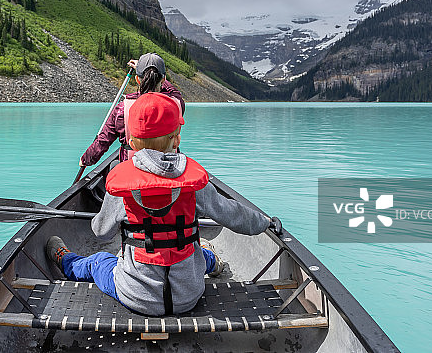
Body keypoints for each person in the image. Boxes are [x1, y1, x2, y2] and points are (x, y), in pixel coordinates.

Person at [47, 92, 282, 316]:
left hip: (136, 296)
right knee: (197, 253)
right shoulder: (194, 182)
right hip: (189, 295)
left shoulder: (121, 183)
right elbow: (232, 214)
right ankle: (213, 262)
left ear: (131, 142)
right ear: (177, 138)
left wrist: (111, 216)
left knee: (99, 262)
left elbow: (100, 232)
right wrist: (265, 222)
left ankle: (66, 261)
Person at [80, 52, 184, 168]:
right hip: (169, 167)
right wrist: (153, 74)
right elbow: (173, 91)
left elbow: (104, 140)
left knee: (114, 166)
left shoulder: (123, 108)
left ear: (137, 80)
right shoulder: (176, 103)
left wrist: (86, 159)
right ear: (163, 79)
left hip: (132, 166)